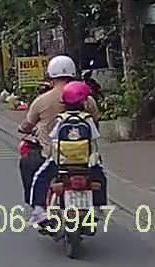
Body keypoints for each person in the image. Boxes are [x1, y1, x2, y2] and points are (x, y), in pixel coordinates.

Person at [17, 55, 102, 226]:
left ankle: (38, 209)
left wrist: (26, 128)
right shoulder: (88, 100)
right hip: (84, 158)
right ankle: (98, 205)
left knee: (33, 169)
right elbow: (96, 127)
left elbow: (29, 124)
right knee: (99, 175)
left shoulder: (42, 100)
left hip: (55, 156)